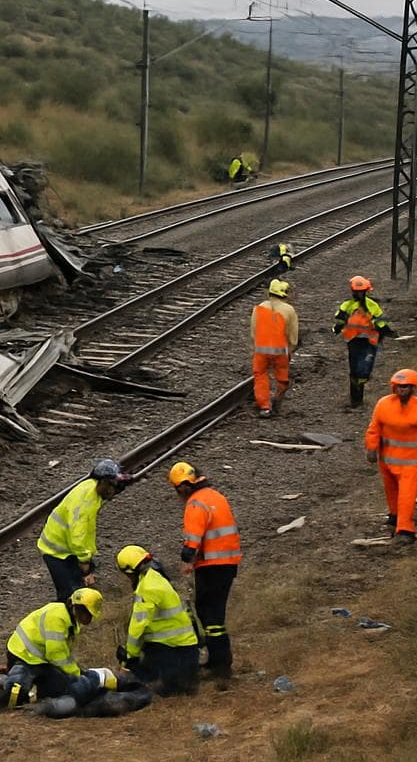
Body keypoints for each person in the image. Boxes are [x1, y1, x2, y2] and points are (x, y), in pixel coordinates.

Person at [0, 588, 102, 712]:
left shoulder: (70, 621)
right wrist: (76, 674)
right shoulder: (58, 619)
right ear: (76, 607)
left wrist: (74, 672)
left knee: (55, 689)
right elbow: (56, 654)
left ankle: (20, 684)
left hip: (40, 660)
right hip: (23, 656)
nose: (88, 618)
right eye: (86, 613)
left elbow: (63, 653)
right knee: (16, 693)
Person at [168, 462, 241, 679]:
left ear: (183, 485)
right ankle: (220, 660)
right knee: (215, 613)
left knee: (209, 614)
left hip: (211, 566)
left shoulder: (196, 503)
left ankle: (220, 665)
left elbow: (193, 537)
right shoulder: (216, 496)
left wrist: (186, 560)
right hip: (227, 564)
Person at [364, 368, 417, 545]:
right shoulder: (384, 404)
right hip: (387, 461)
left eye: (405, 386)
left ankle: (406, 530)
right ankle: (395, 517)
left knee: (406, 495)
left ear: (413, 388)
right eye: (398, 386)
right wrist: (371, 448)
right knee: (391, 492)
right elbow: (374, 428)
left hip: (411, 464)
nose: (401, 389)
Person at [37, 459, 133, 601]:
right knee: (69, 594)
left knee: (79, 585)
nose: (114, 492)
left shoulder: (90, 488)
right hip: (56, 551)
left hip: (66, 546)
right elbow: (79, 535)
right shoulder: (87, 501)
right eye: (113, 487)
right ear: (104, 483)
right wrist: (85, 564)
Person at [115, 545, 200, 695]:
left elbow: (137, 627)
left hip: (175, 650)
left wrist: (129, 658)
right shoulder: (155, 577)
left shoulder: (148, 588)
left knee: (164, 688)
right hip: (184, 648)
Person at [332, 275, 393, 408]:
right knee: (354, 370)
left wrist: (387, 331)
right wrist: (337, 328)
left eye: (361, 291)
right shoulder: (347, 305)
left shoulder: (372, 306)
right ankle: (356, 400)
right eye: (357, 291)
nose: (359, 294)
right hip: (353, 341)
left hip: (369, 342)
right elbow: (340, 321)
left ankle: (359, 392)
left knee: (364, 370)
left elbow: (380, 322)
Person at [251, 279, 299, 417]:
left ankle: (264, 406)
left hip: (260, 350)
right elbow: (293, 336)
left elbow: (253, 332)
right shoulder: (289, 310)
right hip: (280, 351)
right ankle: (278, 399)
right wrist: (290, 348)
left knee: (260, 375)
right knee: (282, 376)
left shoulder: (259, 308)